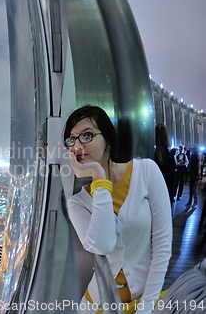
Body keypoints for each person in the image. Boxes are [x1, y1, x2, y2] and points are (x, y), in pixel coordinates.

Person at [63, 105, 172, 314]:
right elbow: (103, 245)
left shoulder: (146, 172)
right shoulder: (77, 203)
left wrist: (147, 307)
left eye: (87, 135)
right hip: (95, 306)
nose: (77, 145)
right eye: (72, 139)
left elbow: (162, 246)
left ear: (108, 141)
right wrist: (98, 176)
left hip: (142, 303)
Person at [153, 123, 177, 204]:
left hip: (153, 195)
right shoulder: (170, 157)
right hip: (166, 194)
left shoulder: (152, 155)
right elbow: (172, 179)